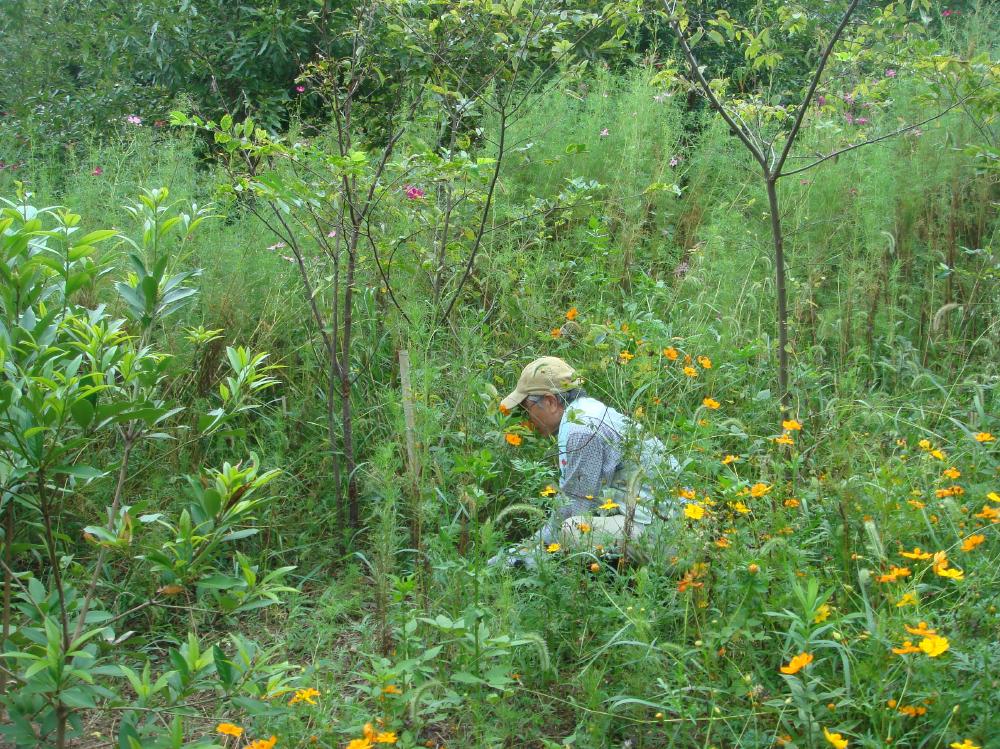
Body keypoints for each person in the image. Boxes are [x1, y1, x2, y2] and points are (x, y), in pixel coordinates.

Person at [489, 356, 680, 568]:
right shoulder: (586, 411)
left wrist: (517, 558)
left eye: (526, 408)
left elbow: (576, 510)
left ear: (550, 402)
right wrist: (523, 548)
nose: (526, 418)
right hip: (668, 525)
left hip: (667, 538)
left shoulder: (580, 430)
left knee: (574, 531)